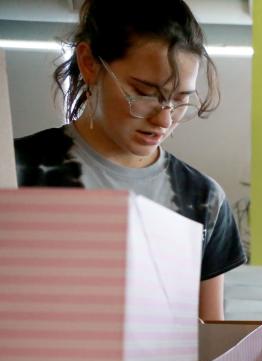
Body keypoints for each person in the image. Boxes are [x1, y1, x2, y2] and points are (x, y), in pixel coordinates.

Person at [14, 0, 245, 321]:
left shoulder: (203, 200)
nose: (165, 119)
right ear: (89, 63)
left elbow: (211, 341)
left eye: (181, 100)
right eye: (145, 91)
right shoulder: (16, 173)